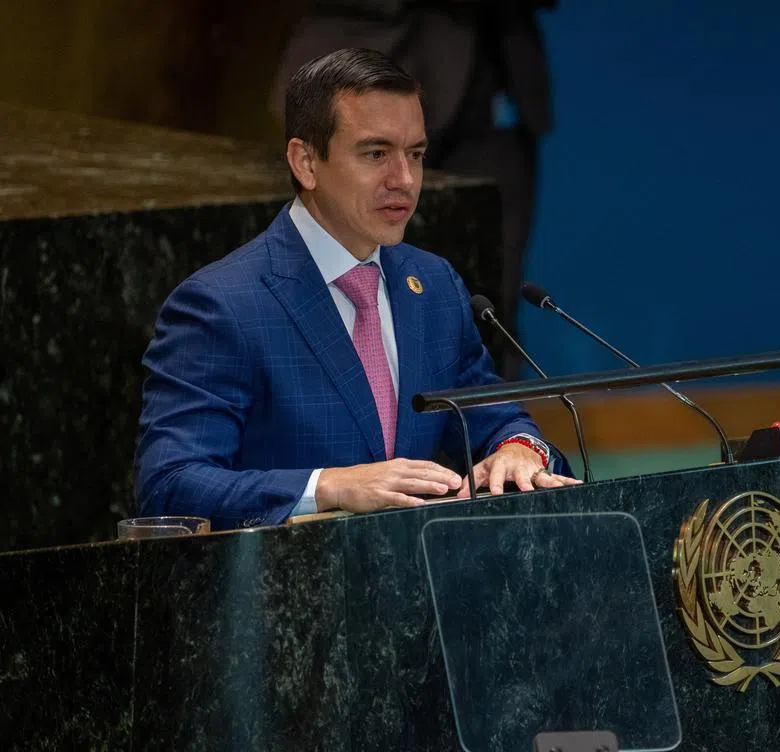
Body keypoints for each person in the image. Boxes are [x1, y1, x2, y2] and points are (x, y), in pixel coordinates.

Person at [134, 48, 577, 531]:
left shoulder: (433, 286)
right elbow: (169, 483)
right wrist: (328, 487)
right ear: (306, 162)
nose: (404, 180)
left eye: (415, 155)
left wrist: (516, 449)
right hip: (286, 593)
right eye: (376, 154)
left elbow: (496, 419)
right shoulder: (222, 305)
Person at [271, 0, 557, 378]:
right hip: (362, 66)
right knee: (340, 296)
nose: (405, 178)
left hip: (496, 88)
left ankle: (492, 433)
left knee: (490, 310)